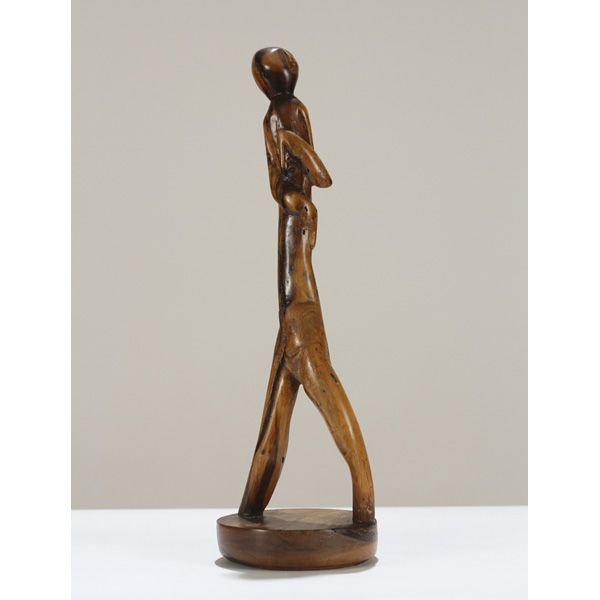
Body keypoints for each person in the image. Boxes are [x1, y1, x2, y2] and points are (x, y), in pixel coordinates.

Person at [238, 47, 375, 525]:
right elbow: (287, 180)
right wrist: (291, 155)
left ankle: (365, 501)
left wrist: (295, 145)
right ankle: (250, 508)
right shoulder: (292, 196)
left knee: (327, 398)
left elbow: (319, 176)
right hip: (292, 311)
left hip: (299, 313)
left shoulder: (286, 121)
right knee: (273, 429)